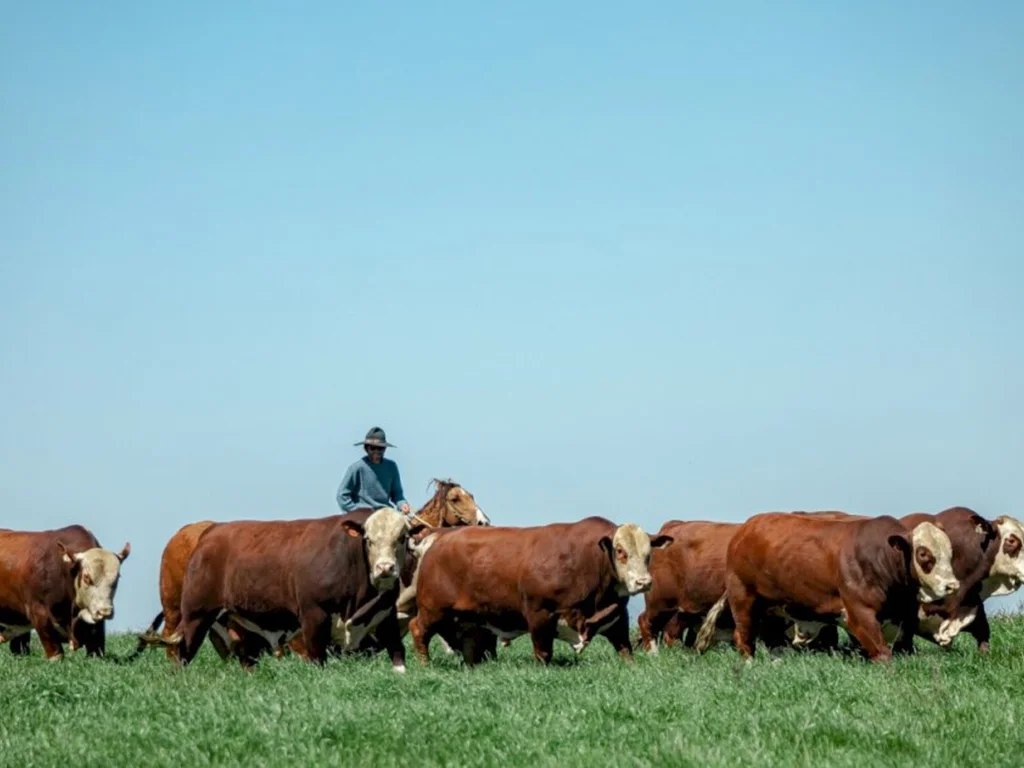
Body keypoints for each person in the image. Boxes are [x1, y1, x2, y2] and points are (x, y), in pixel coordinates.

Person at [336, 427, 411, 515]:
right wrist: (357, 512)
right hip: (363, 515)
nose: (376, 451)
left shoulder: (391, 467)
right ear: (366, 448)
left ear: (385, 449)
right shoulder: (357, 468)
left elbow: (397, 495)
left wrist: (403, 504)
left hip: (386, 513)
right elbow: (342, 495)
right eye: (373, 448)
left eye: (380, 448)